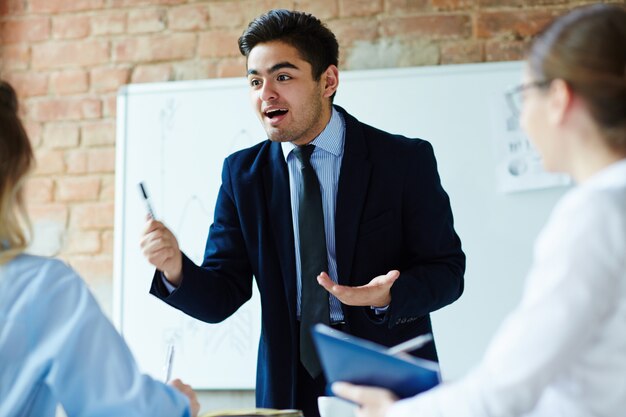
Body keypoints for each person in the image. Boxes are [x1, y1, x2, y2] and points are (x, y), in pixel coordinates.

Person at [140, 9, 465, 417]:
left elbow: (448, 272)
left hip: (385, 371)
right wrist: (174, 268)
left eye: (283, 77)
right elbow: (223, 295)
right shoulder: (243, 174)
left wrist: (388, 295)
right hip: (288, 380)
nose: (266, 94)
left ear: (328, 81)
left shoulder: (403, 160)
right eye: (255, 81)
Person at [333, 4, 626, 417]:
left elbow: (504, 394)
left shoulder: (594, 217)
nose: (523, 120)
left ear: (559, 99)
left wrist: (393, 413)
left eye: (523, 96)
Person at [0, 80, 200, 417]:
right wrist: (176, 405)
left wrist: (176, 267)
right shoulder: (41, 288)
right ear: (15, 173)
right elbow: (124, 410)